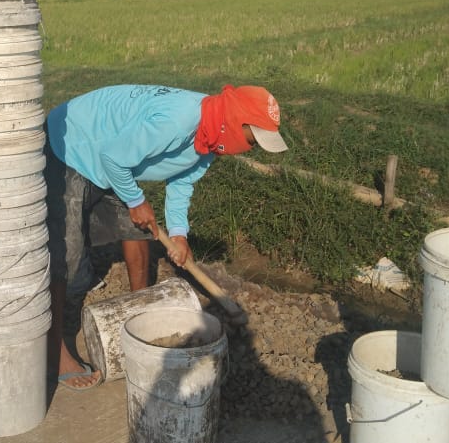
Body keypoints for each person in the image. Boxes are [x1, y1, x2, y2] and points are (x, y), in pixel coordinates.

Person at [45, 84, 289, 390]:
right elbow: (113, 156)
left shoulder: (212, 133)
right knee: (65, 257)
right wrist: (135, 201)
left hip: (112, 157)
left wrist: (178, 234)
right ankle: (55, 349)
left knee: (137, 231)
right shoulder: (180, 120)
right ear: (237, 120)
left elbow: (181, 182)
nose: (251, 147)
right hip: (74, 145)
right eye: (253, 139)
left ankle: (136, 319)